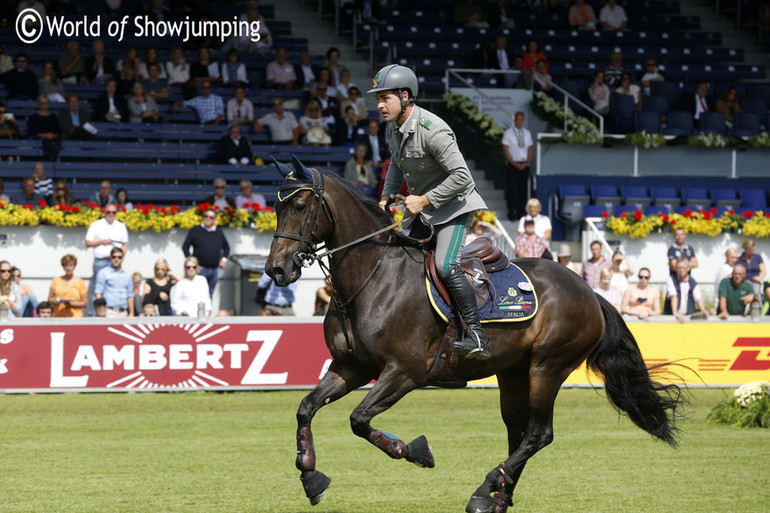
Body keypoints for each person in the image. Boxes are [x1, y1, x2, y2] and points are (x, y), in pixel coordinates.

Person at [370, 64, 489, 359]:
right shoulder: (393, 128)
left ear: (405, 96)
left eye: (385, 98)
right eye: (378, 99)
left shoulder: (433, 129)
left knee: (445, 266)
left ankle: (476, 335)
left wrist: (423, 201)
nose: (380, 105)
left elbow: (464, 178)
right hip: (425, 211)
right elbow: (397, 165)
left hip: (455, 208)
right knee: (398, 260)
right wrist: (386, 196)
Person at [85, 203, 128, 315]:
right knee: (97, 290)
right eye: (108, 212)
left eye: (113, 212)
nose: (110, 215)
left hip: (114, 261)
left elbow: (125, 245)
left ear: (116, 213)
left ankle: (110, 314)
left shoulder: (120, 226)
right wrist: (102, 241)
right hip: (100, 261)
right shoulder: (96, 224)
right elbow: (88, 243)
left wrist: (120, 258)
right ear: (104, 213)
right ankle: (93, 316)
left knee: (114, 290)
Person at [182, 208, 230, 296]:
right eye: (206, 216)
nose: (208, 218)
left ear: (214, 220)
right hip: (200, 270)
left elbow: (227, 248)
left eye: (211, 217)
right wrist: (191, 262)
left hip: (215, 270)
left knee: (210, 294)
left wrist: (223, 260)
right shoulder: (196, 230)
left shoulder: (219, 232)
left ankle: (208, 310)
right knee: (197, 293)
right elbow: (185, 246)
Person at [502, 112, 533, 221]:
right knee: (512, 190)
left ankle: (521, 213)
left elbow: (529, 149)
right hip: (513, 164)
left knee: (523, 190)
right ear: (514, 120)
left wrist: (527, 162)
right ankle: (511, 212)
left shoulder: (527, 133)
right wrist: (514, 163)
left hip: (524, 165)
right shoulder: (508, 133)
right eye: (518, 120)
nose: (519, 122)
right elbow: (505, 149)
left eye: (521, 120)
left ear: (523, 121)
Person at [664, 258, 708, 322]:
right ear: (676, 269)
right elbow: (673, 296)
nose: (681, 270)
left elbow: (698, 299)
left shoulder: (693, 282)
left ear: (688, 268)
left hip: (688, 319)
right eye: (679, 268)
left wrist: (703, 311)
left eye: (683, 267)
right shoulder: (670, 280)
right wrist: (676, 313)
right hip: (673, 318)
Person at [94, 247, 134, 318]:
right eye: (114, 257)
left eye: (119, 257)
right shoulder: (103, 273)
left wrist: (131, 312)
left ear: (122, 258)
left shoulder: (127, 275)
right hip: (109, 311)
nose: (116, 259)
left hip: (124, 312)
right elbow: (98, 293)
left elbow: (130, 295)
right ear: (110, 258)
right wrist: (101, 310)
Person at [27, 96, 61, 160]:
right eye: (42, 102)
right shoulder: (33, 117)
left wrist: (53, 136)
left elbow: (58, 131)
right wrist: (45, 135)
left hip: (52, 140)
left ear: (48, 104)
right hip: (38, 139)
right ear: (39, 104)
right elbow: (32, 132)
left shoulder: (53, 117)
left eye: (46, 102)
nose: (44, 104)